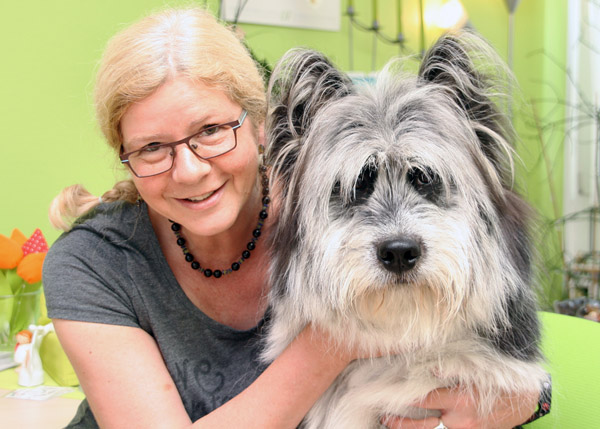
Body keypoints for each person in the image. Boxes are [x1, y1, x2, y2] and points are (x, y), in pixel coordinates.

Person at [43, 7, 540, 428]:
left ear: (261, 127)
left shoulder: (306, 206)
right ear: (123, 154)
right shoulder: (91, 262)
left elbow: (505, 334)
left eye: (211, 129)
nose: (191, 170)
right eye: (152, 148)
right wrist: (334, 343)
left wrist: (526, 397)